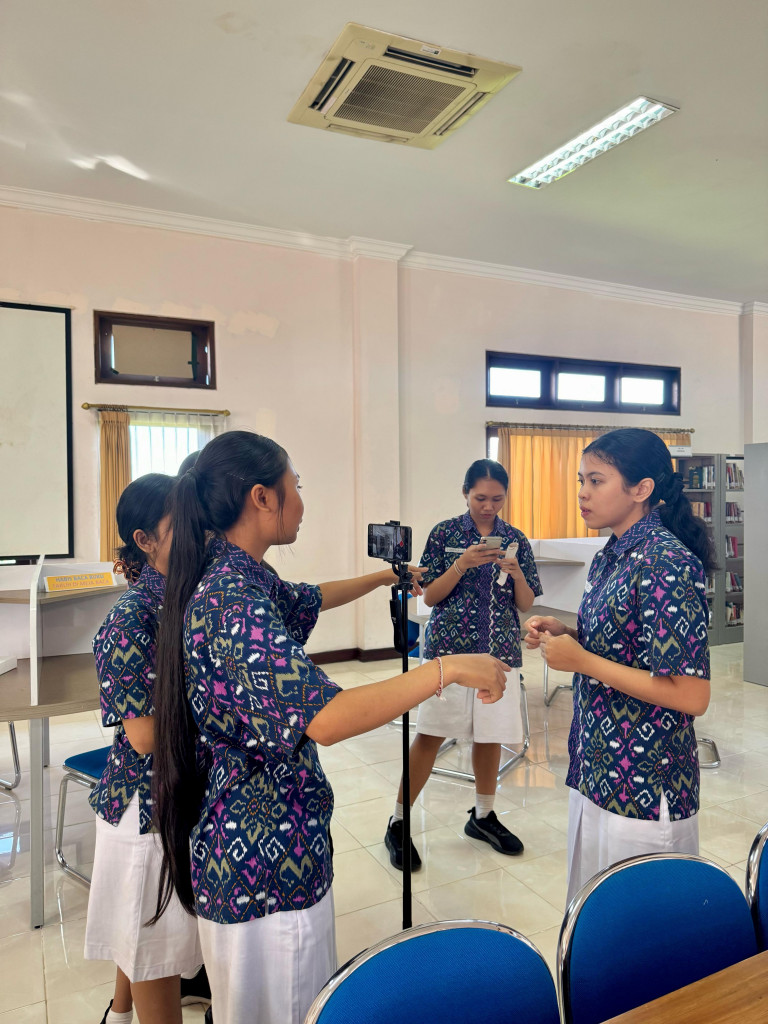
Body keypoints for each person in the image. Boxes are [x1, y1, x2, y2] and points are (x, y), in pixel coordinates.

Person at [149, 430, 510, 1024]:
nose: (301, 497)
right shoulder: (230, 598)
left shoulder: (238, 574)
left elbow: (308, 597)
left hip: (268, 845)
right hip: (261, 860)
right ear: (263, 497)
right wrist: (447, 668)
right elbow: (327, 719)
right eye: (297, 485)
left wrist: (384, 578)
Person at [523, 428, 714, 906]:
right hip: (598, 769)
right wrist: (569, 636)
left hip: (645, 784)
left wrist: (583, 661)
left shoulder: (665, 561)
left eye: (597, 480)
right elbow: (629, 647)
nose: (583, 493)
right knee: (591, 924)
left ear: (641, 489)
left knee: (640, 941)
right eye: (580, 480)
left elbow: (691, 694)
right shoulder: (613, 553)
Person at [84, 474, 206, 1024]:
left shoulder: (190, 597)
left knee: (144, 938)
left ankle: (118, 1010)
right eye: (182, 525)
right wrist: (228, 701)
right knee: (151, 946)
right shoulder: (128, 622)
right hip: (147, 810)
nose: (199, 535)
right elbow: (144, 736)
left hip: (179, 798)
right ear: (145, 540)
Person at [384, 459, 542, 869]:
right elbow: (429, 597)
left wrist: (517, 573)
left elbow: (525, 603)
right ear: (465, 493)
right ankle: (398, 823)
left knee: (490, 735)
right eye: (480, 498)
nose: (488, 506)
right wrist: (461, 564)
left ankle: (484, 815)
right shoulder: (445, 534)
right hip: (450, 654)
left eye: (497, 498)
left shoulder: (516, 539)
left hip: (499, 652)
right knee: (430, 735)